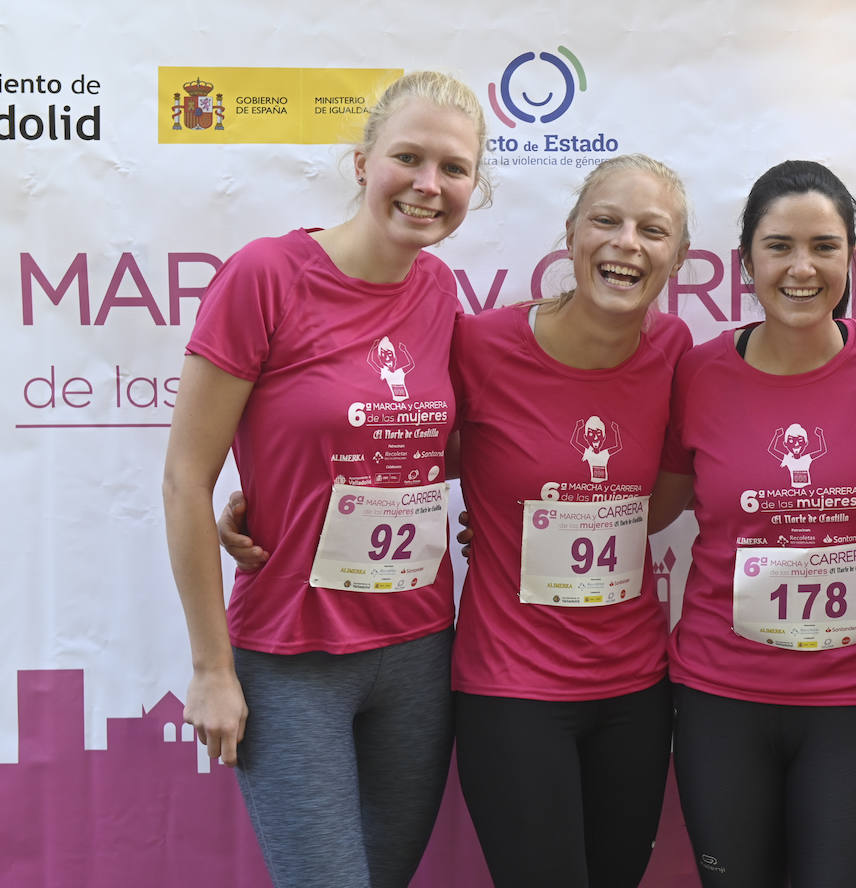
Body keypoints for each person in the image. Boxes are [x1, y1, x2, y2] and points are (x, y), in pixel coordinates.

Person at [220, 153, 693, 888]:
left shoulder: (674, 352)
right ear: (569, 235)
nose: (628, 242)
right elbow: (401, 439)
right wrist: (276, 499)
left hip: (634, 681)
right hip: (511, 680)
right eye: (607, 220)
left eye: (652, 230)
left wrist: (549, 514)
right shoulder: (481, 344)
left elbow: (664, 496)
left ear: (678, 257)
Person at [162, 71, 486, 888]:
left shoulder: (439, 290)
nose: (428, 185)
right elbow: (184, 478)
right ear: (360, 162)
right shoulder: (266, 275)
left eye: (453, 169)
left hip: (417, 648)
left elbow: (427, 446)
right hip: (291, 655)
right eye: (407, 158)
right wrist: (211, 668)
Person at [651, 160, 856, 886]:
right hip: (722, 695)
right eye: (778, 246)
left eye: (824, 246)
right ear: (746, 260)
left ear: (850, 258)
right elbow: (658, 504)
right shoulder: (700, 372)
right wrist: (500, 521)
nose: (801, 268)